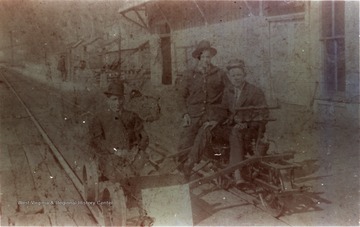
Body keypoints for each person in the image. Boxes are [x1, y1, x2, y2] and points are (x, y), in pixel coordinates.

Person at [177, 40, 229, 178]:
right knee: (186, 140)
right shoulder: (189, 74)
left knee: (205, 136)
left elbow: (229, 94)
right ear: (198, 58)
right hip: (193, 115)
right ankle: (182, 169)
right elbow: (181, 96)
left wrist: (220, 113)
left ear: (211, 57)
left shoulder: (220, 73)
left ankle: (193, 163)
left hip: (211, 115)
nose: (206, 60)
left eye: (208, 57)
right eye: (203, 57)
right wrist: (185, 114)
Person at [89, 82, 150, 182]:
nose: (118, 103)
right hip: (110, 157)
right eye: (114, 99)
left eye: (120, 99)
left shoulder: (132, 116)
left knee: (145, 174)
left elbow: (144, 137)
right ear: (108, 100)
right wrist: (115, 151)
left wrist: (137, 151)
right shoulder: (99, 118)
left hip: (132, 156)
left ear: (124, 100)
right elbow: (97, 141)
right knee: (120, 178)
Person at [222, 59, 269, 184]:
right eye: (233, 76)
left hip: (250, 129)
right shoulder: (228, 91)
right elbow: (223, 110)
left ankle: (236, 171)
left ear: (244, 75)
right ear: (229, 77)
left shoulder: (254, 91)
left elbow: (263, 114)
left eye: (239, 75)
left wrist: (247, 123)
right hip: (232, 126)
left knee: (236, 132)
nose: (236, 78)